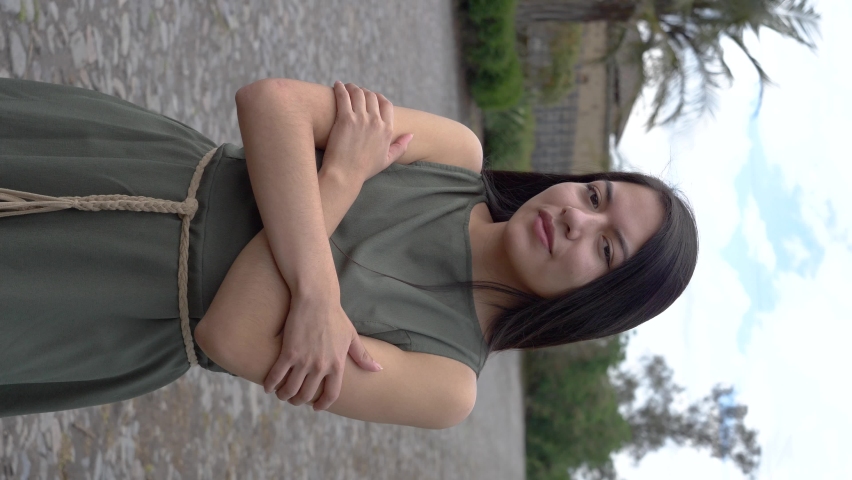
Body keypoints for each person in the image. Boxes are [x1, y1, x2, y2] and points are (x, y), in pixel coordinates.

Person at [0, 78, 698, 428]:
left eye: (605, 247)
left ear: (596, 303)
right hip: (134, 163)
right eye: (595, 194)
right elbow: (273, 104)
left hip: (111, 310)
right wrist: (317, 288)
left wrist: (340, 175)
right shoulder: (455, 155)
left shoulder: (446, 384)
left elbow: (231, 334)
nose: (575, 218)